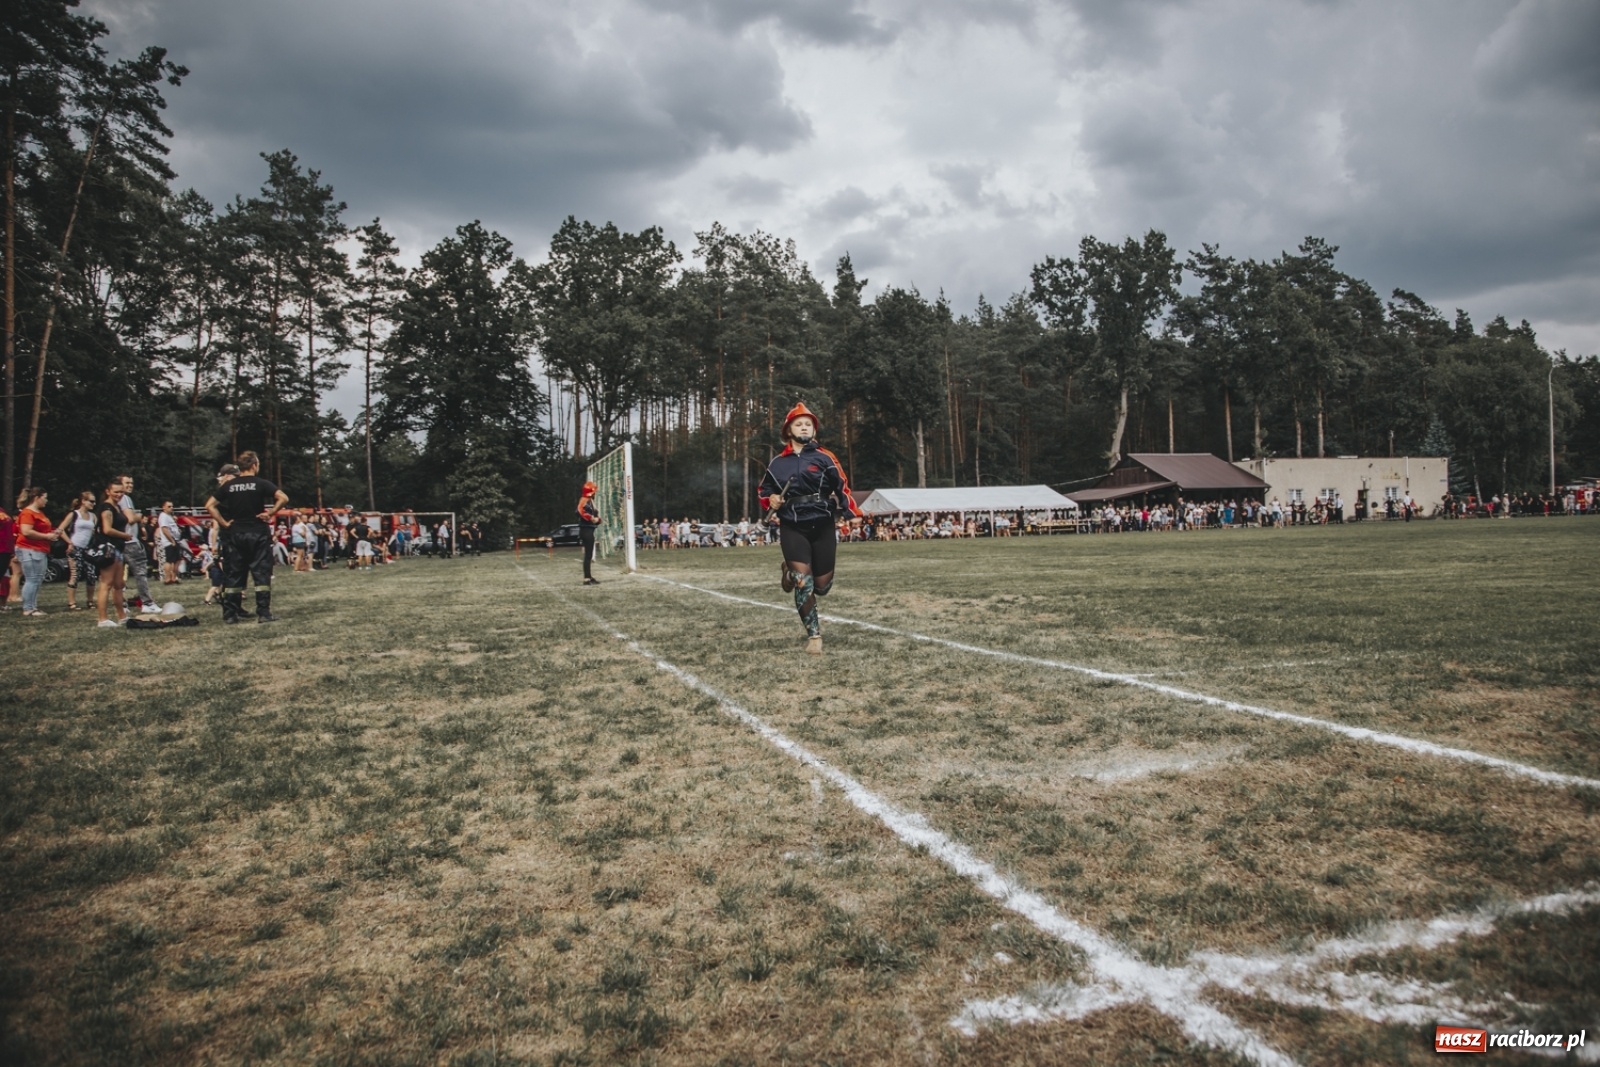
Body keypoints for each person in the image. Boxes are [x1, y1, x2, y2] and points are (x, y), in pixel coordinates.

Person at [757, 402, 860, 655]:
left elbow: (842, 487)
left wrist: (852, 513)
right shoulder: (777, 464)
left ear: (813, 430)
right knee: (805, 583)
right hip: (793, 526)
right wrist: (770, 500)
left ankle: (788, 572)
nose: (804, 427)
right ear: (788, 430)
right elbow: (764, 490)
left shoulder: (826, 457)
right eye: (798, 424)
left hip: (823, 523)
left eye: (808, 424)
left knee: (822, 587)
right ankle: (814, 636)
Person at [205, 450, 288, 623]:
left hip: (235, 533)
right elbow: (283, 498)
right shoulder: (261, 483)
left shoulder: (229, 486)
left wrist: (224, 523)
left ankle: (230, 614)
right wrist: (270, 512)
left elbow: (210, 505)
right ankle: (264, 613)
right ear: (254, 465)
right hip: (257, 533)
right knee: (261, 574)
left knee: (234, 573)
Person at [15, 488, 63, 617]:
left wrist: (53, 533)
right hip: (29, 549)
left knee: (37, 579)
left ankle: (32, 606)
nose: (46, 501)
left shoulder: (39, 513)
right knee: (32, 579)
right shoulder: (28, 513)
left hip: (39, 549)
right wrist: (47, 536)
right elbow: (26, 531)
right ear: (37, 497)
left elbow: (41, 530)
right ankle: (28, 608)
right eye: (45, 497)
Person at [94, 478, 133, 628]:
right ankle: (102, 619)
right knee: (106, 583)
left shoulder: (116, 507)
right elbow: (107, 529)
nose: (119, 495)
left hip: (118, 549)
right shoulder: (107, 508)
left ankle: (122, 616)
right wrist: (125, 536)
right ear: (108, 492)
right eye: (116, 492)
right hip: (108, 549)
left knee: (119, 584)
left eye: (121, 492)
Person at [116, 475, 158, 613]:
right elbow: (130, 519)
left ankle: (122, 604)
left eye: (132, 483)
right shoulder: (125, 499)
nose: (130, 485)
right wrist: (139, 517)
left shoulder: (114, 501)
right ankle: (147, 603)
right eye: (127, 482)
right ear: (119, 484)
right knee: (140, 573)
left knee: (118, 575)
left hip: (119, 541)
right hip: (130, 542)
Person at [63, 490, 98, 610]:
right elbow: (60, 529)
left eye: (94, 502)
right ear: (83, 501)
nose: (93, 504)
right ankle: (72, 603)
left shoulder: (93, 516)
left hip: (87, 548)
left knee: (91, 574)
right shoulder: (74, 514)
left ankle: (90, 601)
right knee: (75, 573)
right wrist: (69, 542)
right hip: (75, 546)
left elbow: (94, 533)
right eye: (91, 501)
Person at [577, 481, 602, 585]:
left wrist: (598, 520)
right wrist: (592, 518)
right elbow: (579, 511)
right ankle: (586, 578)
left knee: (589, 555)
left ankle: (589, 576)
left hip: (589, 530)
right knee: (588, 555)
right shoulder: (585, 500)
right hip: (586, 531)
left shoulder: (589, 501)